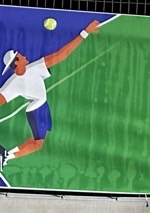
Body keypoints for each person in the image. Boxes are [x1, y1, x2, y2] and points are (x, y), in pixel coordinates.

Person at [0, 20, 100, 172]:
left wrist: (84, 33)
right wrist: (84, 33)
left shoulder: (34, 68)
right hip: (36, 108)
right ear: (17, 62)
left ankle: (6, 156)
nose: (25, 56)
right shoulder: (13, 83)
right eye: (21, 56)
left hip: (42, 105)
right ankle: (5, 156)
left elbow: (61, 55)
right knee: (38, 143)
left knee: (39, 141)